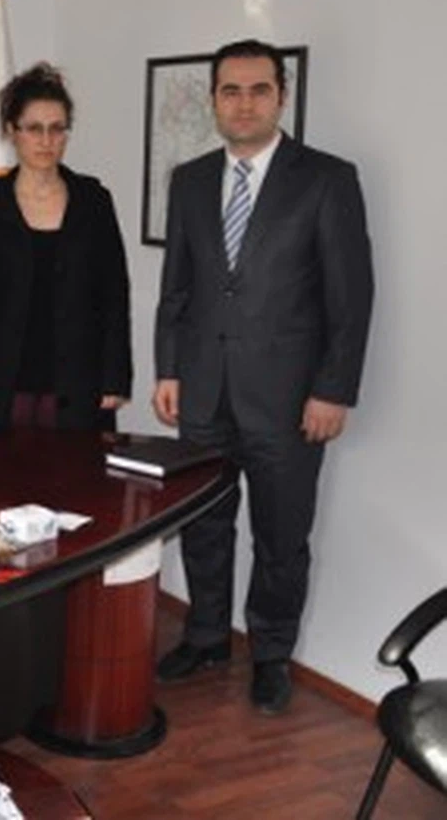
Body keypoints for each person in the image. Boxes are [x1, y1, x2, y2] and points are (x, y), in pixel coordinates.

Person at [152, 39, 374, 715]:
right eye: (230, 91)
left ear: (282, 96)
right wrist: (168, 369)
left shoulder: (326, 179)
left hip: (289, 400)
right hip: (203, 390)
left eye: (258, 90)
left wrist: (333, 389)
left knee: (281, 535)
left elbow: (351, 296)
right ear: (214, 100)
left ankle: (271, 654)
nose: (243, 104)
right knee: (203, 524)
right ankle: (207, 636)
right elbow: (177, 287)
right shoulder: (190, 181)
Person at [0, 62, 131, 440]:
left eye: (57, 128)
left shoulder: (94, 200)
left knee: (74, 475)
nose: (46, 140)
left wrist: (115, 378)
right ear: (11, 131)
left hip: (78, 381)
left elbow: (115, 294)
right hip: (1, 382)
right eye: (34, 128)